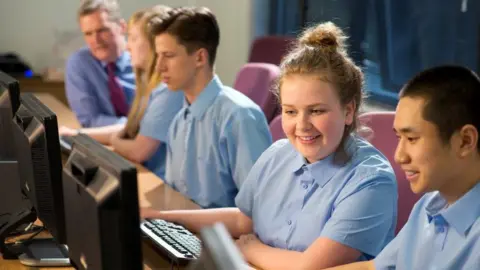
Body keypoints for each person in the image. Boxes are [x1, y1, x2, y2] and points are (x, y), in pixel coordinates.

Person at [142, 21, 398, 269]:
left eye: (316, 111)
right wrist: (167, 218)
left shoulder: (371, 181)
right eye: (290, 111)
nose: (302, 125)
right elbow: (243, 221)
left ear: (349, 111)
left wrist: (251, 249)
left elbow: (310, 267)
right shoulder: (278, 154)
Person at [325, 65, 480, 270]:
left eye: (412, 139)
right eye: (399, 137)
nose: (399, 156)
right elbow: (374, 268)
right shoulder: (428, 206)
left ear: (465, 141)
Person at [148, 6, 272, 208]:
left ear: (200, 58)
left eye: (168, 56)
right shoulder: (179, 121)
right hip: (185, 230)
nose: (159, 66)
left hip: (226, 236)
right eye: (158, 55)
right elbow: (174, 197)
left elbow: (259, 209)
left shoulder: (239, 116)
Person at [60, 5, 184, 180]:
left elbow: (139, 148)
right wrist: (76, 134)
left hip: (161, 178)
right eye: (88, 34)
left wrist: (116, 139)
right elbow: (129, 128)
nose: (128, 47)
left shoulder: (166, 90)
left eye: (133, 38)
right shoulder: (148, 84)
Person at [66, 0, 136, 127]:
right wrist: (133, 126)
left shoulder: (144, 58)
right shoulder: (80, 63)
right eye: (88, 33)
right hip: (106, 142)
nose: (96, 40)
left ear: (122, 27)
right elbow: (89, 120)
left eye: (102, 30)